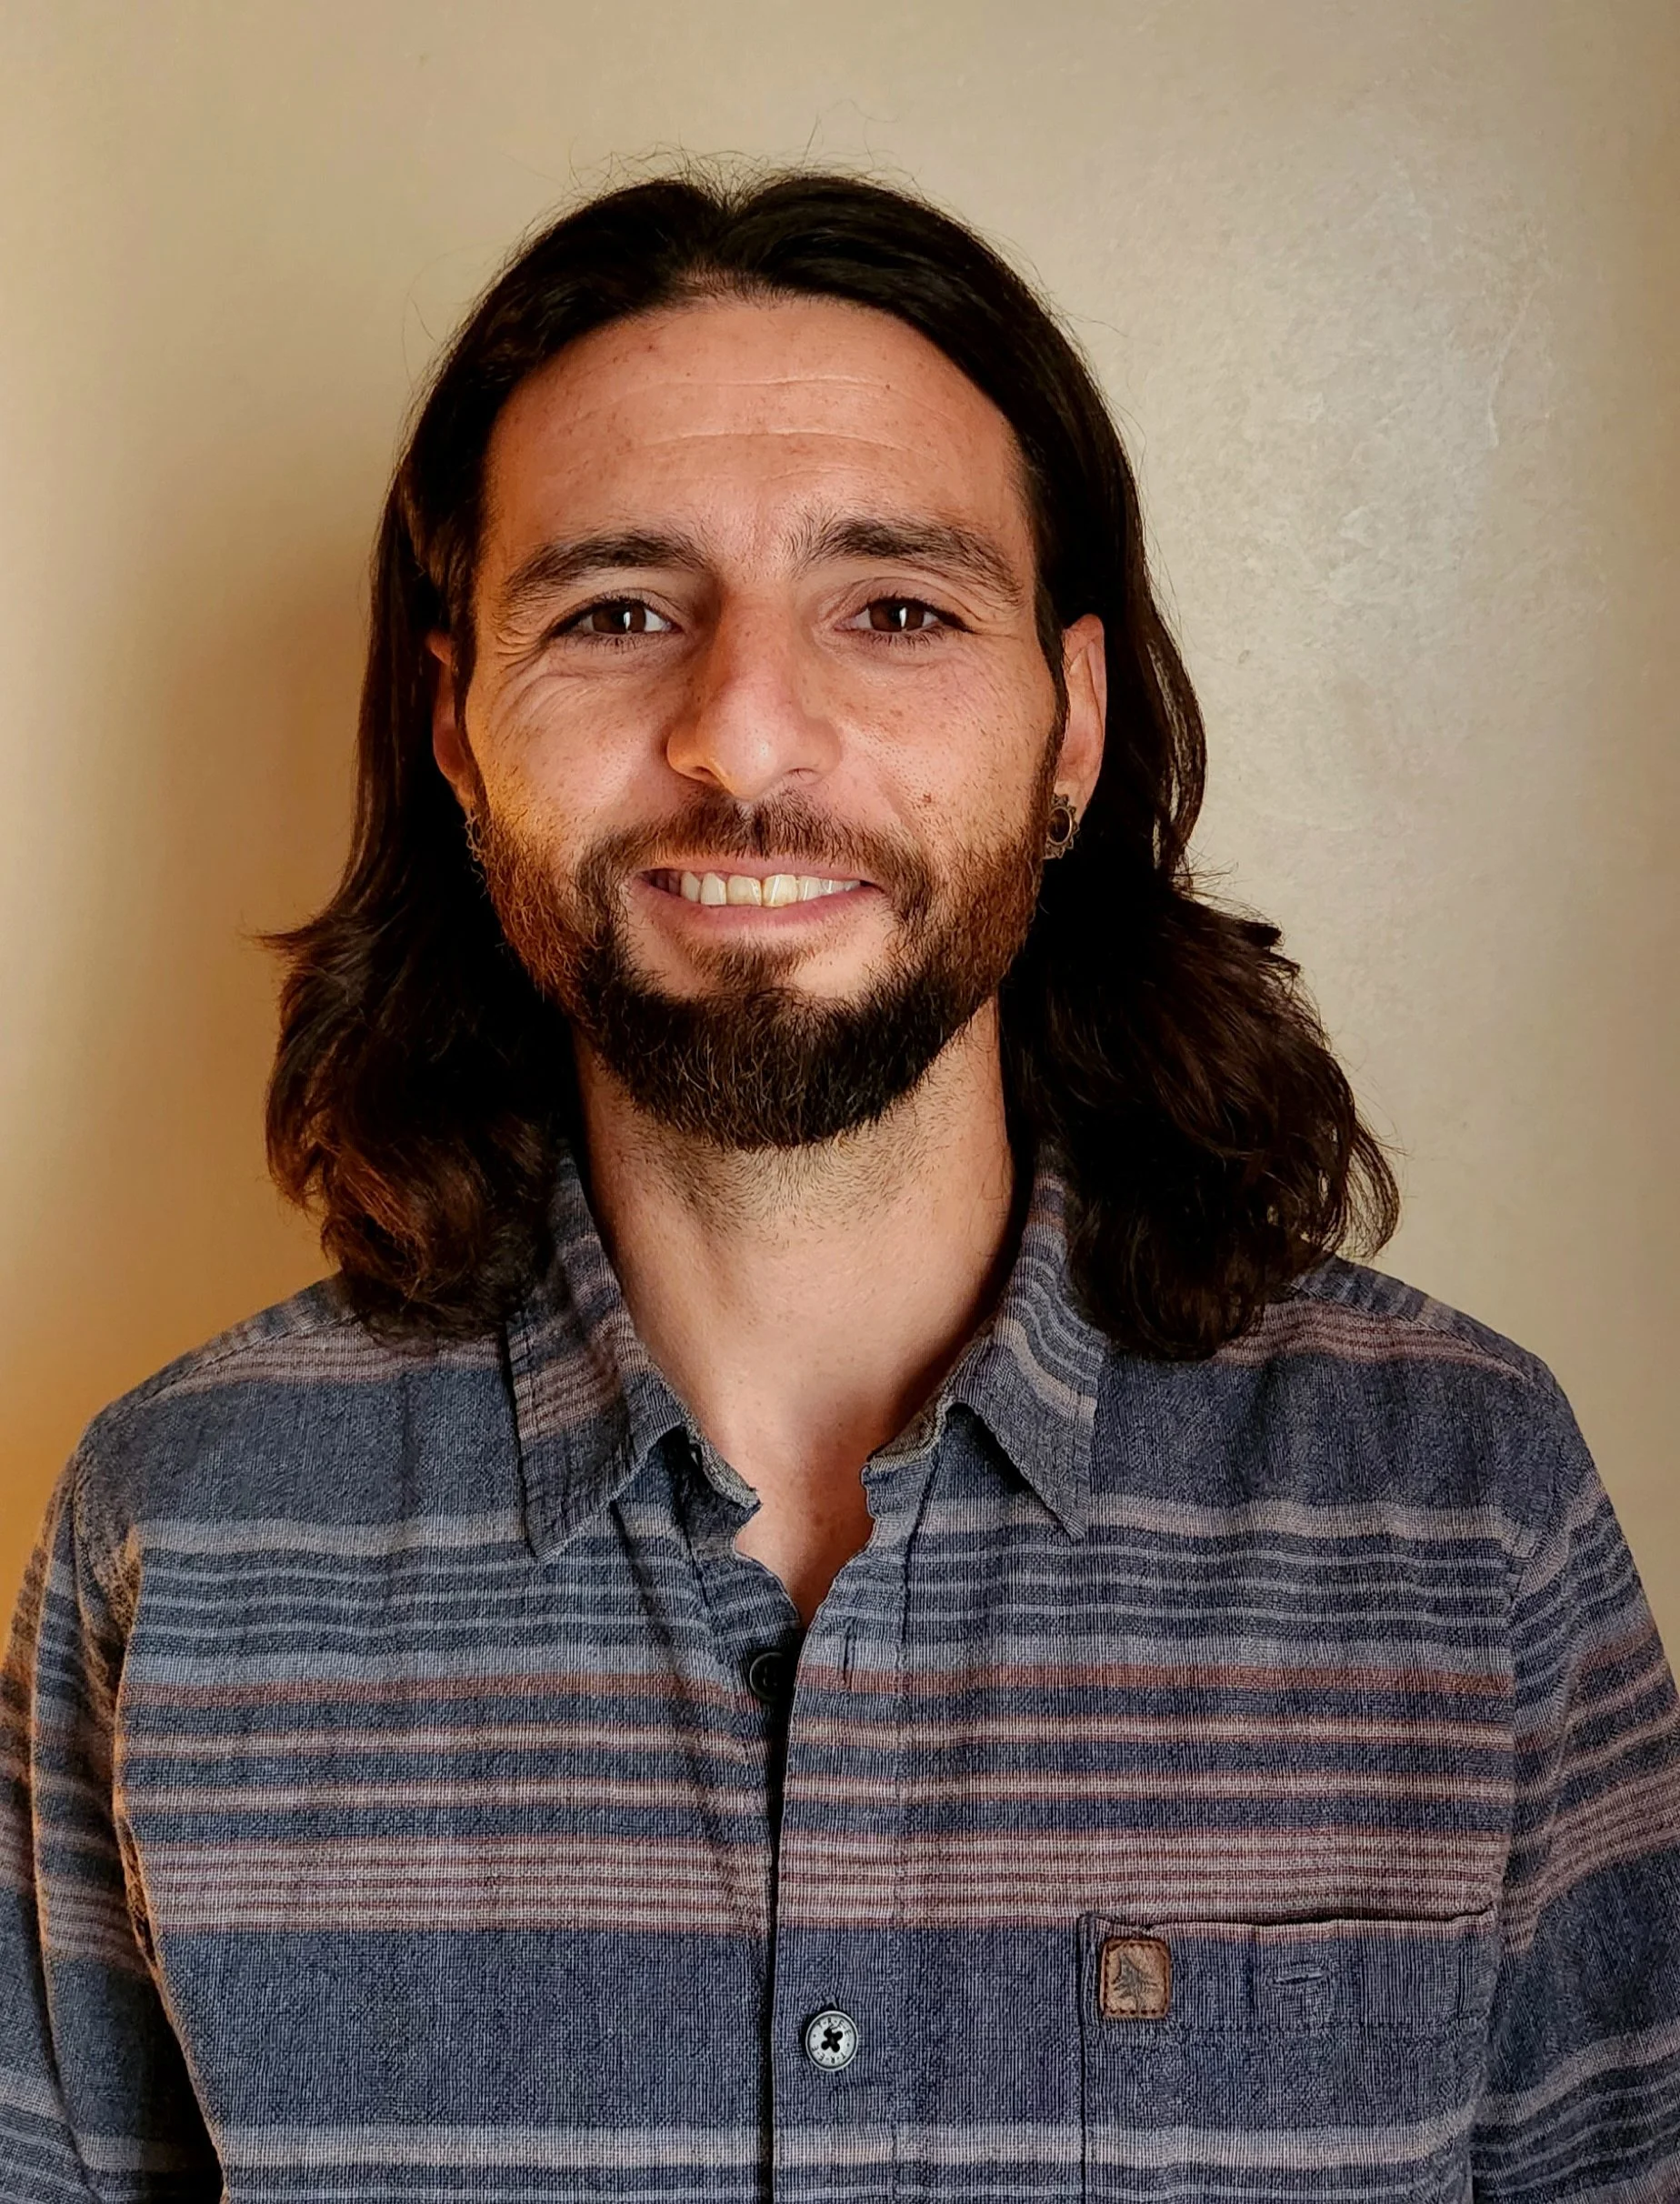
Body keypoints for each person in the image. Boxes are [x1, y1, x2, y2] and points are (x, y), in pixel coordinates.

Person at [3, 170, 1675, 2204]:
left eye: (896, 608)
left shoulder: (1463, 1508)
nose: (743, 738)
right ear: (454, 729)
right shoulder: (175, 1544)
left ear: (1073, 727)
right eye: (617, 612)